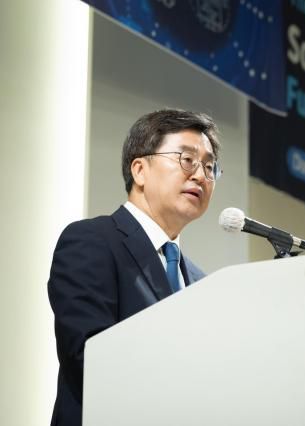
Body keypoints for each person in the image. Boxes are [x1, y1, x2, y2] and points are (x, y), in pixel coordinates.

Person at [47, 109, 221, 426]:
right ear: (140, 170)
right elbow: (90, 358)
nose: (200, 175)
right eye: (187, 160)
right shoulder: (91, 241)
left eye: (209, 167)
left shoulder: (201, 283)